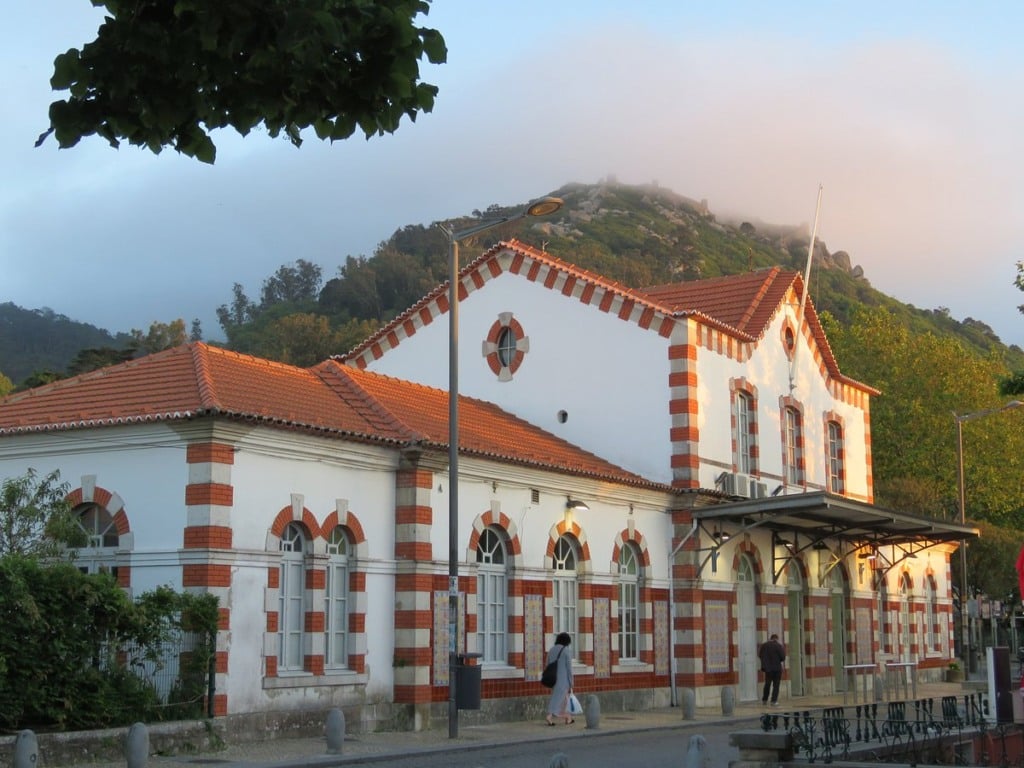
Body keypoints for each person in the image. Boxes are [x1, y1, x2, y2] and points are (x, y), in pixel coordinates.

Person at [545, 632, 575, 725]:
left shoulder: (551, 650)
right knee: (560, 701)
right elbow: (569, 668)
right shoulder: (566, 651)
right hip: (563, 681)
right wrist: (571, 682)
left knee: (560, 699)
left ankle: (568, 717)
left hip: (553, 679)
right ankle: (552, 716)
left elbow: (547, 664)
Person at [758, 633, 785, 706]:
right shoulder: (778, 646)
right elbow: (783, 657)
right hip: (777, 669)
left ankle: (764, 699)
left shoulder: (764, 645)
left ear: (771, 638)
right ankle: (774, 701)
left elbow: (760, 655)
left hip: (768, 669)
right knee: (776, 685)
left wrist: (766, 663)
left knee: (767, 684)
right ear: (776, 639)